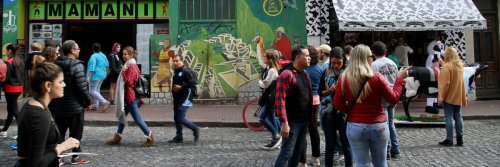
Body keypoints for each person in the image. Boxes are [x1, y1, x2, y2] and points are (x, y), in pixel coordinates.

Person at [334, 44, 408, 167]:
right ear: (365, 58)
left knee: (361, 163)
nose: (372, 58)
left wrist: (351, 110)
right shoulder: (377, 77)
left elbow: (337, 104)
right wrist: (399, 79)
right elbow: (393, 98)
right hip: (378, 125)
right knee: (381, 163)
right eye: (371, 56)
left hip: (355, 125)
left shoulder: (344, 78)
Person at [17, 61, 80, 167]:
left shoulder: (32, 103)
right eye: (60, 82)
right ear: (48, 85)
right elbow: (35, 163)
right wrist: (61, 147)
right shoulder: (39, 116)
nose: (64, 85)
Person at [49, 40, 92, 165]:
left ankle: (58, 157)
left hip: (58, 105)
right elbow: (81, 88)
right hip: (75, 106)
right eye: (77, 48)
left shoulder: (55, 64)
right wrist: (88, 101)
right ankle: (76, 156)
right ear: (72, 51)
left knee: (59, 132)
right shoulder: (77, 65)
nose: (79, 50)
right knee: (76, 132)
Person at [106, 46, 155, 147]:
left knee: (137, 119)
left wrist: (123, 71)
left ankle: (149, 136)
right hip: (127, 97)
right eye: (123, 54)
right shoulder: (128, 65)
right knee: (121, 116)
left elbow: (130, 82)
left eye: (126, 54)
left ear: (131, 55)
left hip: (131, 97)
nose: (124, 56)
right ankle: (117, 136)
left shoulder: (132, 66)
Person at [274, 45, 312, 167]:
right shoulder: (287, 74)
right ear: (297, 57)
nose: (309, 58)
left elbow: (308, 96)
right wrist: (284, 122)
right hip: (292, 123)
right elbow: (279, 100)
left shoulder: (305, 74)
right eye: (306, 56)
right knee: (286, 153)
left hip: (304, 121)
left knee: (297, 153)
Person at [319, 46, 352, 167]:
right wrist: (329, 91)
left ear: (344, 61)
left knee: (346, 145)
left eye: (339, 63)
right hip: (328, 112)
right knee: (330, 145)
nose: (336, 66)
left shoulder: (349, 74)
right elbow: (319, 92)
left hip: (344, 113)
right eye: (333, 63)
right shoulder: (326, 72)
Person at [371, 41, 401, 160]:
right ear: (385, 51)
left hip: (382, 98)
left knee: (385, 124)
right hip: (392, 95)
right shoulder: (393, 63)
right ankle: (396, 149)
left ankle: (387, 150)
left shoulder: (374, 65)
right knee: (391, 123)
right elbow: (397, 78)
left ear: (373, 52)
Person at [437, 47, 467, 147]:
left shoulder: (447, 67)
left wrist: (441, 97)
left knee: (448, 117)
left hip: (449, 95)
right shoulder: (460, 65)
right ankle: (460, 138)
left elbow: (445, 84)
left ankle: (449, 139)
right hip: (458, 95)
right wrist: (443, 64)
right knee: (458, 116)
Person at [168, 54, 200, 143]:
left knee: (181, 118)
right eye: (174, 61)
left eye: (177, 61)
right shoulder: (176, 71)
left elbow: (193, 83)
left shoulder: (187, 71)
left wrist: (181, 87)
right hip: (177, 98)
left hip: (185, 98)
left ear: (182, 61)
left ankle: (195, 129)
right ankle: (179, 136)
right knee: (176, 117)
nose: (175, 63)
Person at [300, 45, 322, 166]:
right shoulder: (320, 69)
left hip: (305, 102)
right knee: (314, 129)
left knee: (303, 131)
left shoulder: (303, 70)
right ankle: (316, 157)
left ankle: (302, 161)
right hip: (316, 101)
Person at [258, 50, 282, 149]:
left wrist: (260, 81)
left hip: (270, 98)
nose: (263, 59)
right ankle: (276, 138)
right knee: (272, 117)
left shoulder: (272, 70)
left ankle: (276, 134)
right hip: (270, 97)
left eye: (265, 58)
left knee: (262, 117)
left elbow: (265, 84)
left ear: (270, 60)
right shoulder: (269, 68)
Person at [1, 44, 25, 138]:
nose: (6, 52)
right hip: (19, 88)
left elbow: (6, 78)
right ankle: (5, 130)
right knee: (11, 109)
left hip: (10, 88)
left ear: (10, 51)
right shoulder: (21, 61)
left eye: (7, 50)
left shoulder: (9, 62)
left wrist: (2, 85)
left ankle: (22, 131)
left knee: (14, 109)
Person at [87, 42, 110, 112]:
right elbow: (107, 65)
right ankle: (95, 105)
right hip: (102, 75)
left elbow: (91, 67)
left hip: (95, 76)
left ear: (93, 49)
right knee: (97, 90)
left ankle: (104, 102)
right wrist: (106, 74)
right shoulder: (103, 55)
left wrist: (88, 77)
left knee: (92, 91)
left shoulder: (93, 56)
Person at [425, 37, 445, 114]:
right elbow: (434, 64)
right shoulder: (431, 57)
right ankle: (429, 105)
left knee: (435, 89)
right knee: (432, 90)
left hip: (435, 75)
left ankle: (434, 103)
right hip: (431, 75)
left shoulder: (435, 56)